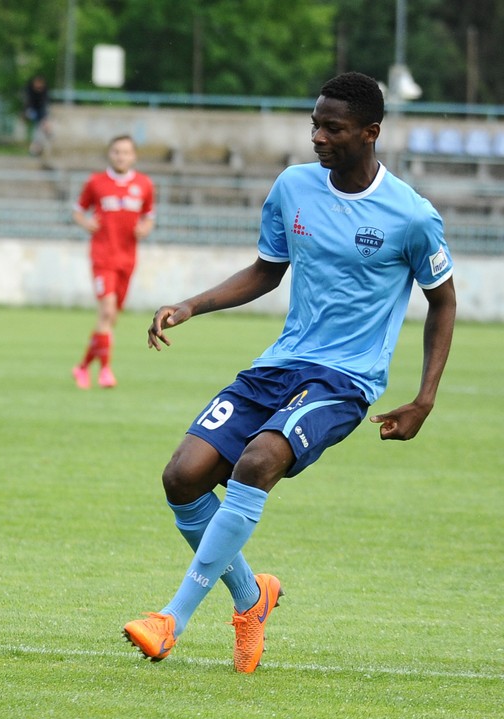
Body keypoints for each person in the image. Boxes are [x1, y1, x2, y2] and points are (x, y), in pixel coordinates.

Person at [123, 72, 456, 673]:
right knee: (183, 477)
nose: (318, 138)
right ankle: (253, 598)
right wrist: (192, 304)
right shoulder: (293, 187)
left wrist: (423, 398)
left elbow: (444, 301)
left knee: (257, 462)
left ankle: (172, 619)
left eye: (333, 128)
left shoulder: (412, 216)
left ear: (370, 133)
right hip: (280, 364)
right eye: (314, 125)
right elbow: (265, 270)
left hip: (344, 381)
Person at [70, 135, 156, 389]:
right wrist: (87, 223)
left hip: (127, 259)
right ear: (110, 154)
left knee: (109, 320)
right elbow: (77, 210)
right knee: (107, 312)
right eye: (117, 152)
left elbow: (149, 216)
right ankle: (105, 371)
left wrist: (145, 228)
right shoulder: (96, 182)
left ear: (134, 156)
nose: (121, 156)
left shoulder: (144, 184)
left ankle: (82, 367)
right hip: (103, 256)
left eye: (126, 152)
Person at [21, 74, 51, 156]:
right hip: (32, 110)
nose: (39, 87)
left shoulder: (44, 92)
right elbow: (27, 104)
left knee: (40, 129)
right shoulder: (29, 91)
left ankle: (37, 147)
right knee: (37, 129)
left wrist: (45, 119)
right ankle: (35, 148)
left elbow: (45, 106)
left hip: (40, 111)